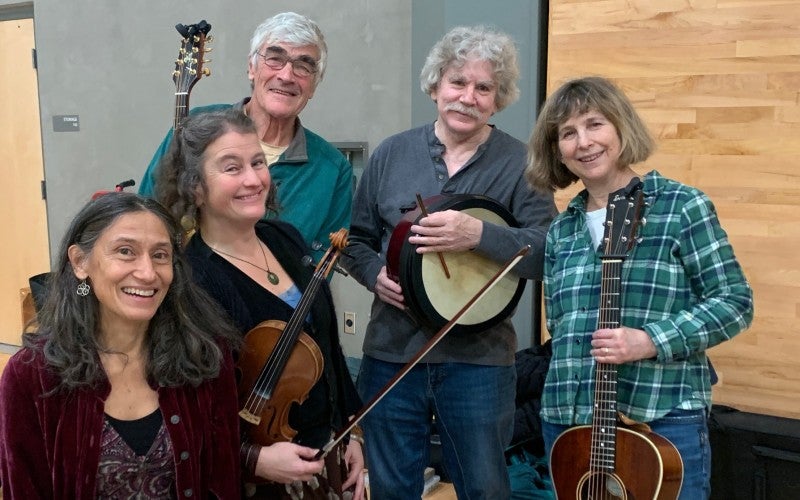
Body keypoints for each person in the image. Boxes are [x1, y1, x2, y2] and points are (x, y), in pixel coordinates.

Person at [343, 25, 557, 499]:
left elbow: (549, 252)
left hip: (479, 362)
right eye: (458, 82)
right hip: (392, 354)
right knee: (393, 488)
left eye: (484, 88)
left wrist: (479, 234)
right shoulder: (392, 154)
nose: (468, 97)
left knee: (484, 488)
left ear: (499, 99)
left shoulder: (522, 165)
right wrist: (374, 275)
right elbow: (355, 242)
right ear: (436, 85)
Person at [526, 76, 754, 499]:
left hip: (660, 418)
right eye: (568, 133)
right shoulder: (562, 230)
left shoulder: (681, 206)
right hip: (569, 423)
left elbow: (734, 302)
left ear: (620, 127)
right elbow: (560, 327)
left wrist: (650, 339)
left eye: (595, 124)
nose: (584, 142)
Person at [156, 107, 365, 500]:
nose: (253, 180)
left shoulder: (284, 238)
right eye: (232, 168)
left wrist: (350, 429)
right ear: (195, 187)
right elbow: (188, 411)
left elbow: (326, 345)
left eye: (257, 162)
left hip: (323, 457)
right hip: (260, 482)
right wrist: (251, 458)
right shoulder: (193, 280)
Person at [0, 192, 241, 499]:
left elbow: (225, 481)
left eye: (160, 255)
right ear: (79, 262)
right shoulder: (29, 377)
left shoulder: (206, 355)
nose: (147, 272)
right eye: (126, 251)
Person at [140, 11, 352, 263]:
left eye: (303, 66)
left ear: (314, 84)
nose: (286, 76)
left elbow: (318, 268)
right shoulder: (196, 126)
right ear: (251, 68)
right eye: (275, 58)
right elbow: (146, 210)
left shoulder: (332, 169)